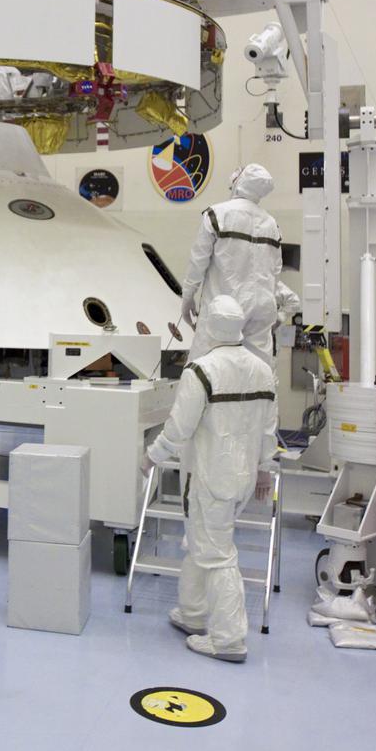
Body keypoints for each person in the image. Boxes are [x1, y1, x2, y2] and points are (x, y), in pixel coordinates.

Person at [142, 295, 278, 662]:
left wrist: (150, 457)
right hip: (243, 478)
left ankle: (228, 639)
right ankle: (193, 613)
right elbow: (269, 429)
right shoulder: (263, 369)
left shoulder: (201, 371)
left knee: (217, 554)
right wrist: (265, 469)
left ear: (208, 327)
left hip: (209, 478)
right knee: (200, 541)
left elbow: (178, 429)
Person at [181, 163, 281, 367]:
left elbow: (198, 261)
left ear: (239, 183)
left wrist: (188, 295)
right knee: (260, 373)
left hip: (225, 308)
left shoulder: (216, 214)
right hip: (261, 309)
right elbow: (276, 270)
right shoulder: (272, 224)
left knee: (206, 369)